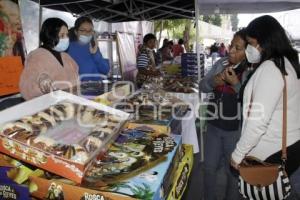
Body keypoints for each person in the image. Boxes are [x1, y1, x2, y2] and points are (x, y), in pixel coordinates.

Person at [230, 15, 300, 199]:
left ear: (265, 42)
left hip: (271, 153)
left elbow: (258, 122)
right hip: (288, 146)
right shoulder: (287, 63)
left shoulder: (270, 68)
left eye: (251, 43)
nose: (249, 50)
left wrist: (238, 154)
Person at [200, 28, 251, 200]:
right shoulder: (220, 63)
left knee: (233, 173)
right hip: (213, 125)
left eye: (238, 48)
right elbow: (202, 86)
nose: (231, 51)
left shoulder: (251, 71)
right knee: (208, 168)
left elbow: (251, 103)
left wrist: (236, 84)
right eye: (231, 45)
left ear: (248, 51)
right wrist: (212, 83)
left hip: (234, 131)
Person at [19, 18, 79, 100]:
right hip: (49, 106)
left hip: (71, 102)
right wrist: (40, 80)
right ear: (50, 35)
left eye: (67, 35)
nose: (66, 38)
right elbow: (26, 87)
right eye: (62, 35)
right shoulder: (37, 56)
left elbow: (76, 78)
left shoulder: (66, 57)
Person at [68, 16, 109, 81]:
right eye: (83, 30)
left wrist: (95, 54)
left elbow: (105, 70)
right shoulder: (68, 48)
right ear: (76, 32)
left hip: (96, 87)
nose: (87, 33)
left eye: (90, 31)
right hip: (78, 88)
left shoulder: (93, 47)